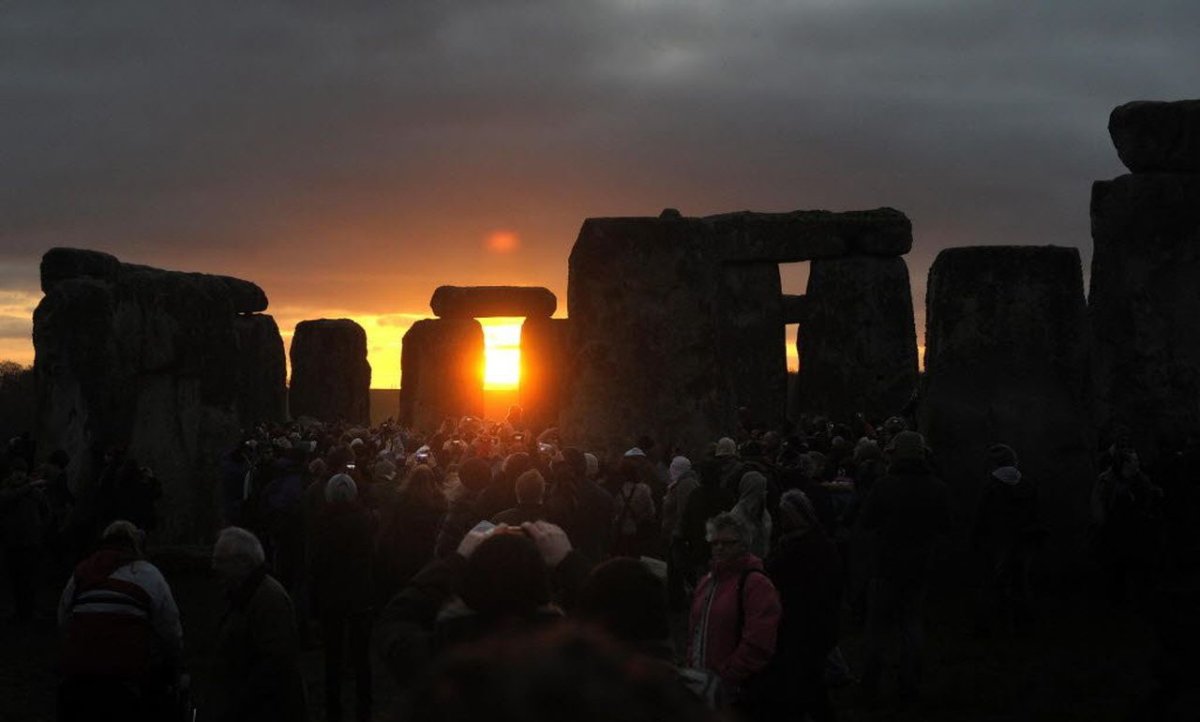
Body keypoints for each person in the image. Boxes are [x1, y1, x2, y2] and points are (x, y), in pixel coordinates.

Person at [57, 520, 183, 722]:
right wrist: (174, 664)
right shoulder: (148, 574)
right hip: (126, 675)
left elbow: (63, 619)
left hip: (77, 674)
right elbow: (170, 630)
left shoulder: (81, 572)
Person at [859, 430, 951, 708]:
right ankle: (909, 685)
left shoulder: (884, 486)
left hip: (885, 566)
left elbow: (866, 522)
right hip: (919, 567)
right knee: (911, 627)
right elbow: (946, 527)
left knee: (877, 629)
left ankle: (870, 686)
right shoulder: (938, 488)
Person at [686, 512, 781, 713]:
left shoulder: (756, 584)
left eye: (728, 543)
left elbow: (759, 641)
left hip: (736, 689)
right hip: (704, 684)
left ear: (744, 544)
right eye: (715, 543)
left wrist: (728, 675)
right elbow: (695, 630)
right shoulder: (707, 581)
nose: (720, 548)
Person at [210, 526, 306, 722]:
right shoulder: (242, 595)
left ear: (244, 562)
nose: (214, 567)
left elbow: (275, 664)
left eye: (221, 561)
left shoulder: (268, 600)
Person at [762, 491, 843, 722]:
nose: (783, 519)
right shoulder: (796, 542)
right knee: (806, 679)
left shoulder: (809, 547)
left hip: (806, 622)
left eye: (787, 515)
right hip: (798, 622)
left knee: (804, 678)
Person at [311, 474, 374, 722]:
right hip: (359, 594)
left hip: (332, 597)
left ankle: (333, 706)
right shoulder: (364, 521)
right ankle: (364, 705)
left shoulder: (322, 523)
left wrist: (314, 603)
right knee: (361, 656)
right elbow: (370, 555)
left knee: (332, 656)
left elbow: (316, 565)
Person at [970, 443, 1043, 635]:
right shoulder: (1028, 484)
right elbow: (1036, 513)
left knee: (992, 582)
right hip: (1024, 538)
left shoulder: (990, 486)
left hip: (996, 540)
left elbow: (981, 515)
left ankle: (990, 625)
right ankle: (1024, 623)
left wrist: (975, 538)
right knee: (1021, 582)